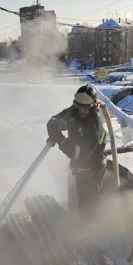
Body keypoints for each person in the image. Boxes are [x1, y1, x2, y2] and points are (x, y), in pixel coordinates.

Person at [47, 84, 107, 218]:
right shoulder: (74, 110)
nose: (82, 111)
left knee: (90, 204)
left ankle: (93, 226)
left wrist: (60, 140)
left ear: (92, 107)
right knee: (81, 200)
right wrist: (54, 129)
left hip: (93, 165)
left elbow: (79, 153)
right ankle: (83, 220)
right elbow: (54, 121)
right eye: (79, 107)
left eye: (85, 108)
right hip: (80, 164)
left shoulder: (94, 124)